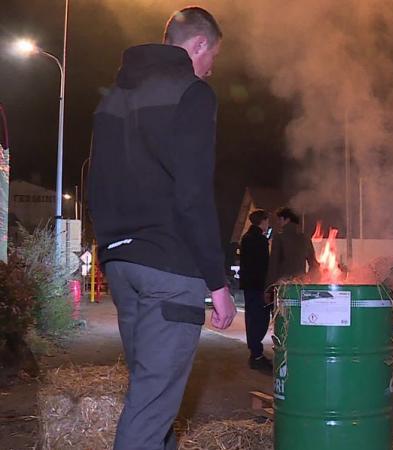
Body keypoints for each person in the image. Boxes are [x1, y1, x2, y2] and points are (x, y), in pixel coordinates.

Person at [87, 7, 236, 450]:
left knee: (152, 396)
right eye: (213, 56)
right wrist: (217, 280)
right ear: (200, 45)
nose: (212, 68)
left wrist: (108, 247)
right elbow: (192, 194)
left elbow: (96, 181)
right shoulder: (192, 93)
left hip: (121, 262)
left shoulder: (112, 97)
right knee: (151, 409)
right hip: (169, 267)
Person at [239, 209, 273, 372]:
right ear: (262, 221)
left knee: (251, 318)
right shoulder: (260, 240)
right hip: (259, 285)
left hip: (248, 285)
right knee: (260, 319)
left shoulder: (246, 238)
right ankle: (257, 356)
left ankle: (255, 353)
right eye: (267, 221)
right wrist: (268, 286)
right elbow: (265, 265)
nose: (268, 224)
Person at [266, 206, 318, 288]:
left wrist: (269, 285)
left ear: (287, 220)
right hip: (300, 283)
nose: (278, 222)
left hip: (282, 284)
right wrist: (308, 279)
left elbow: (273, 263)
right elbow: (313, 263)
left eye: (280, 219)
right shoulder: (305, 238)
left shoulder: (279, 238)